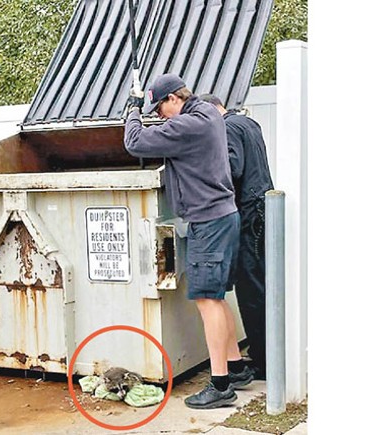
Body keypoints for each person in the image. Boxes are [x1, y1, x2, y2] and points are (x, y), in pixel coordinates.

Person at [124, 74, 253, 409]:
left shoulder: (187, 126)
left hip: (208, 222)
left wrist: (133, 108)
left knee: (206, 301)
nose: (161, 115)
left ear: (173, 100)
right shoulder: (209, 113)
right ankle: (235, 367)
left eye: (160, 108)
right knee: (217, 297)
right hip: (223, 216)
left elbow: (135, 143)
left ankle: (221, 385)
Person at [199, 94, 274, 380]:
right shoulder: (248, 123)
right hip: (263, 208)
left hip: (248, 213)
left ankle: (263, 360)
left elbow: (231, 169)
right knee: (262, 285)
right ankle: (269, 353)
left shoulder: (227, 128)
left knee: (250, 289)